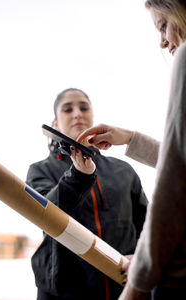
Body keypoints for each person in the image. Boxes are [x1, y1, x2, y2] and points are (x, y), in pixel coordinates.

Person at [77, 1, 186, 299]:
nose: (163, 42)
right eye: (69, 109)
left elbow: (174, 184)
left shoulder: (185, 59)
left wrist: (138, 280)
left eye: (163, 24)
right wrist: (130, 138)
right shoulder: (42, 170)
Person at [26, 88, 148, 300]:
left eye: (84, 107)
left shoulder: (124, 170)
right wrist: (78, 176)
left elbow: (148, 224)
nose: (77, 113)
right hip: (64, 292)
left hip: (125, 287)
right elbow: (44, 214)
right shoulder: (40, 170)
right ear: (55, 124)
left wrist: (142, 257)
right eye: (67, 109)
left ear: (92, 117)